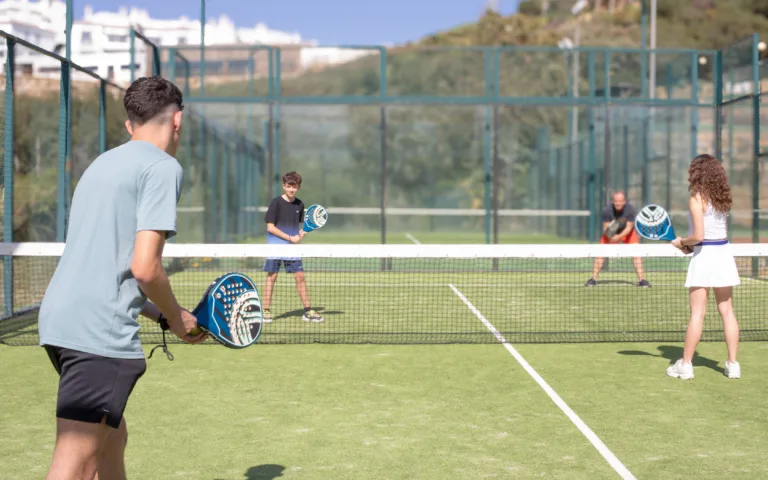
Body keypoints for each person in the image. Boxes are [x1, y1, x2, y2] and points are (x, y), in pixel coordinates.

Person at [37, 76, 207, 480]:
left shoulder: (102, 164)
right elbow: (145, 267)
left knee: (112, 438)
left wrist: (164, 316)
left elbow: (111, 269)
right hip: (98, 334)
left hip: (60, 323)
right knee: (75, 458)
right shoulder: (163, 168)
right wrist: (180, 320)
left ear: (130, 124)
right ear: (178, 120)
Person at [666, 154, 741, 380]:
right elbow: (713, 234)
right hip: (723, 254)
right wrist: (691, 246)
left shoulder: (697, 198)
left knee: (697, 313)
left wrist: (681, 243)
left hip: (706, 257)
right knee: (727, 312)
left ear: (696, 173)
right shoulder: (723, 199)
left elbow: (698, 236)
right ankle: (733, 365)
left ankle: (686, 365)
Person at [261, 171, 324, 323]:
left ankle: (308, 311)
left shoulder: (300, 204)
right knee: (272, 277)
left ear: (298, 187)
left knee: (300, 277)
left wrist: (300, 235)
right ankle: (266, 311)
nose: (291, 189)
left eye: (294, 186)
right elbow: (270, 227)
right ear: (284, 186)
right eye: (288, 186)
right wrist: (290, 238)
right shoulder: (275, 203)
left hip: (292, 249)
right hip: (275, 246)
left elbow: (296, 228)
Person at [585, 191, 650, 287]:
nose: (618, 203)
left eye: (620, 201)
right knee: (600, 254)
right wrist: (611, 236)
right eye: (616, 201)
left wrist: (619, 237)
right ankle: (593, 279)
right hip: (610, 234)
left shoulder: (630, 209)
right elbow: (605, 228)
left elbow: (629, 227)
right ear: (613, 201)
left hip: (627, 233)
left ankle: (642, 280)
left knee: (637, 253)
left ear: (624, 201)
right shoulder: (607, 210)